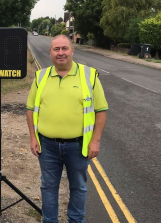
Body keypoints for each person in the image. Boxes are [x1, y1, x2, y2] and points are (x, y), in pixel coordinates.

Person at [26, 34, 108, 223]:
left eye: (64, 48)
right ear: (51, 52)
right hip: (47, 145)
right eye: (56, 49)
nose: (60, 53)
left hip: (78, 146)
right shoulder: (41, 76)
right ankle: (49, 220)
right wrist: (33, 137)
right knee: (48, 187)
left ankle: (76, 221)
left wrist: (95, 141)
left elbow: (101, 110)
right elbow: (30, 109)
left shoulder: (89, 75)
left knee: (78, 187)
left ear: (72, 50)